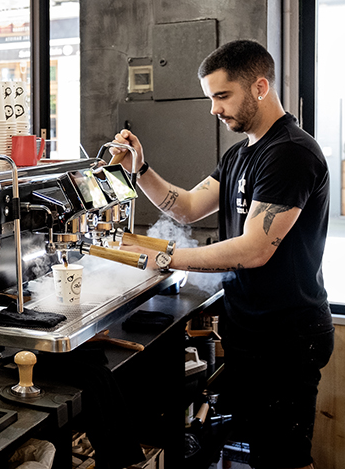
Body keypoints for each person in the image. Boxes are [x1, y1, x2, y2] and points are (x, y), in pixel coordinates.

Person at [112, 40, 333, 469]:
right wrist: (139, 169)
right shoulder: (240, 154)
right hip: (250, 328)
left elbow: (254, 250)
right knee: (264, 453)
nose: (214, 109)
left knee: (285, 459)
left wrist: (162, 257)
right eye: (210, 98)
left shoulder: (290, 152)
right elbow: (187, 207)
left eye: (222, 96)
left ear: (260, 87)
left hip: (286, 337)